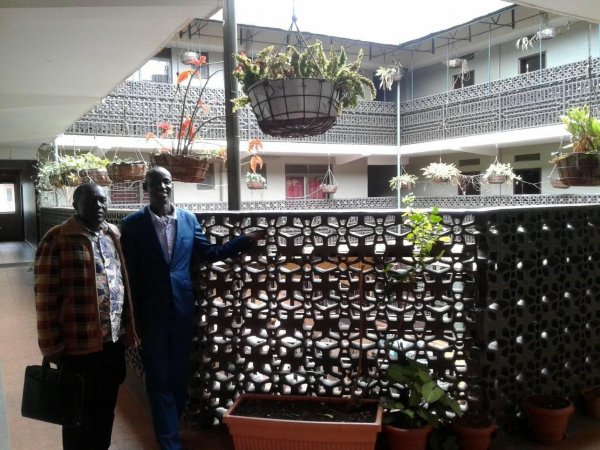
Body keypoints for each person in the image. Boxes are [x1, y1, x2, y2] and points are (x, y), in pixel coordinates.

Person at [120, 166, 264, 450]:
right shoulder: (132, 224)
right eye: (155, 183)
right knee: (158, 379)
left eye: (166, 181)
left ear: (171, 186)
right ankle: (169, 442)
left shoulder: (188, 219)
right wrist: (131, 318)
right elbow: (129, 274)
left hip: (183, 311)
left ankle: (170, 429)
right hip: (151, 315)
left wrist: (245, 240)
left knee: (177, 377)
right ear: (146, 188)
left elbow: (209, 253)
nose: (162, 186)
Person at [34, 183, 138, 450]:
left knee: (105, 412)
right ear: (76, 206)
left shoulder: (112, 234)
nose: (100, 206)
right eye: (92, 201)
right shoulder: (57, 238)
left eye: (103, 201)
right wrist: (51, 346)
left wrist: (128, 329)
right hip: (77, 348)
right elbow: (45, 297)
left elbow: (122, 284)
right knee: (77, 417)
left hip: (112, 345)